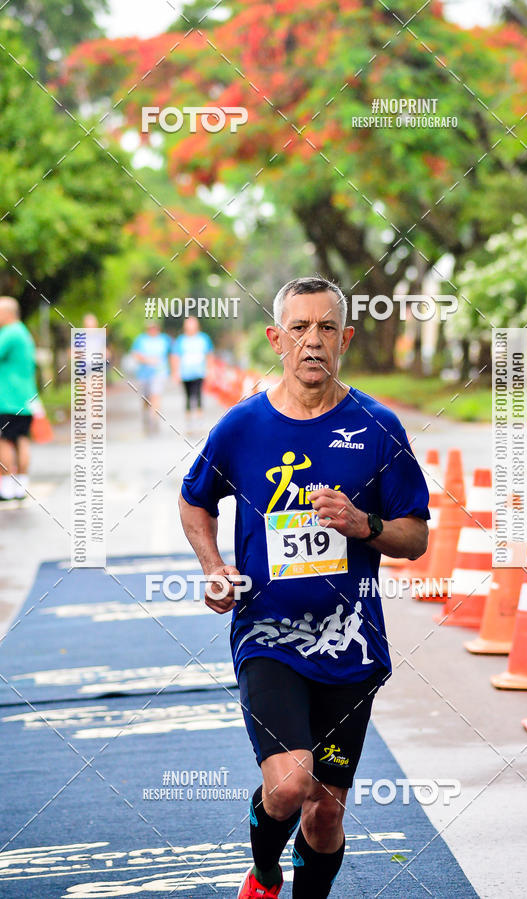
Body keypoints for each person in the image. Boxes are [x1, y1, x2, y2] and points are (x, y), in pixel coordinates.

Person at [179, 277, 430, 898]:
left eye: (326, 328)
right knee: (291, 783)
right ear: (276, 339)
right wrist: (213, 567)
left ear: (345, 339)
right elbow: (194, 501)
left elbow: (415, 536)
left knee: (324, 814)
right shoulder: (242, 427)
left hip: (350, 645)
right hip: (266, 633)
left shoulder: (378, 426)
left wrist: (365, 524)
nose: (312, 341)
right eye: (298, 328)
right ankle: (264, 871)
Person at [0, 297, 37, 501]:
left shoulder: (10, 332)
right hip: (25, 398)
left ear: (7, 313)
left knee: (4, 440)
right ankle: (21, 486)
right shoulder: (23, 332)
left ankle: (6, 488)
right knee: (21, 439)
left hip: (7, 399)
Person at [171, 317, 213, 430]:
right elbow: (175, 356)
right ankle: (189, 421)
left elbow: (209, 355)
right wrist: (175, 372)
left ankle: (199, 420)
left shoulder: (204, 338)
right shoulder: (181, 340)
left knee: (198, 395)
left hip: (199, 372)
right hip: (185, 373)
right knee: (188, 396)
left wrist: (210, 370)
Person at [131, 322, 171, 432]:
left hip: (159, 373)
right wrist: (147, 360)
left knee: (155, 395)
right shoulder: (141, 340)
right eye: (150, 328)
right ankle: (146, 415)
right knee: (146, 398)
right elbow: (135, 354)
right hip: (144, 374)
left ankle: (154, 419)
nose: (153, 330)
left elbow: (171, 354)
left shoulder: (164, 339)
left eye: (154, 328)